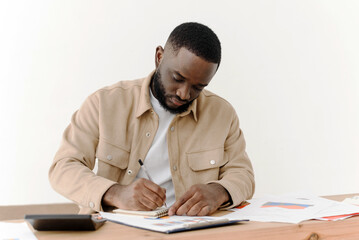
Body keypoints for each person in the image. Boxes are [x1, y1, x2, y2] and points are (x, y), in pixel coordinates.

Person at [49, 22, 255, 216]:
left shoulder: (222, 113)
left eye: (198, 87)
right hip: (115, 231)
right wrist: (115, 193)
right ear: (159, 57)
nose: (184, 94)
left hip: (191, 231)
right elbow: (63, 168)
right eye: (177, 78)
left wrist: (218, 191)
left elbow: (243, 174)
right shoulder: (104, 104)